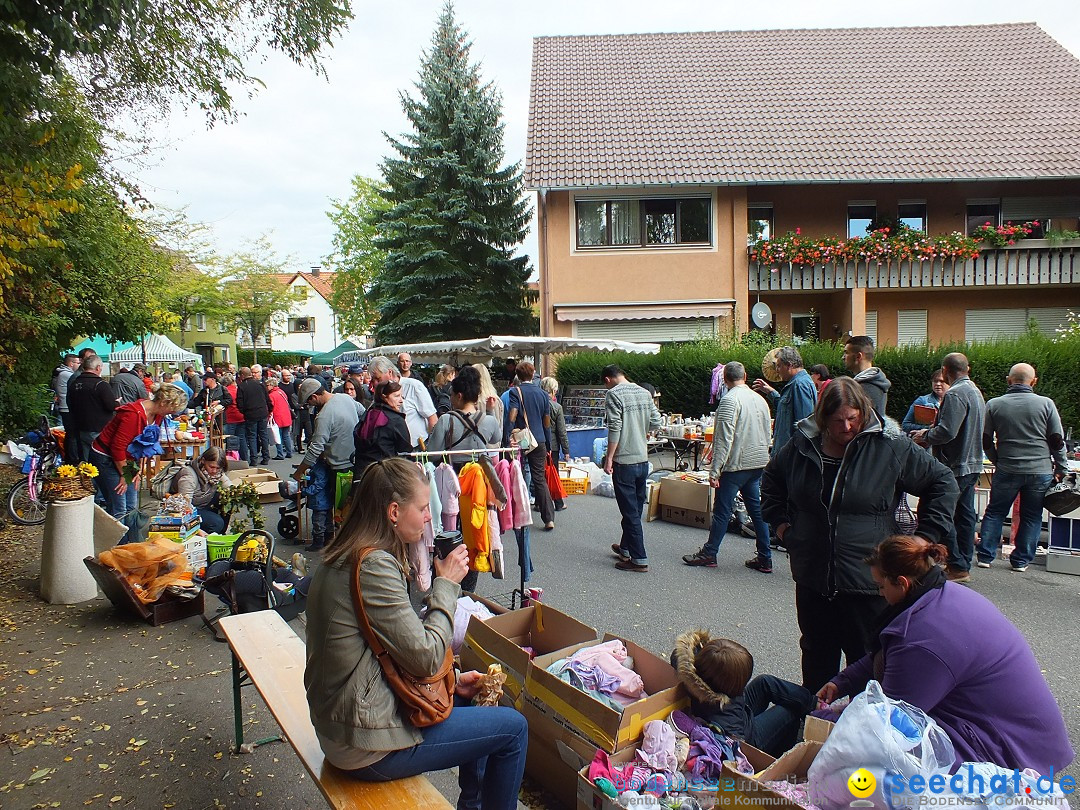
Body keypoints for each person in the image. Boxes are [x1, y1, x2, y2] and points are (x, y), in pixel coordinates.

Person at [304, 458, 528, 808]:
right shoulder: (374, 566)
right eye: (423, 508)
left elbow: (392, 645)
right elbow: (424, 657)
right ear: (394, 511)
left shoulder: (346, 553)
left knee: (472, 697)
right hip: (362, 746)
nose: (429, 517)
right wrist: (445, 584)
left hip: (340, 722)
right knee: (513, 729)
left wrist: (452, 677)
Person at [760, 377, 958, 691]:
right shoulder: (802, 444)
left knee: (866, 663)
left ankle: (859, 733)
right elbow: (771, 482)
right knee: (815, 658)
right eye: (838, 421)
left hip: (869, 584)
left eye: (853, 419)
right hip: (813, 578)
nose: (847, 427)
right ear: (823, 419)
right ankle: (816, 727)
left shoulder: (888, 446)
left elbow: (943, 482)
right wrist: (784, 528)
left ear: (864, 413)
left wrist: (925, 536)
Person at [818, 535, 1073, 773]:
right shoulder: (942, 594)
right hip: (1027, 736)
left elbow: (889, 722)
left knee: (883, 761)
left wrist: (819, 717)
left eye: (881, 586)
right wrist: (844, 681)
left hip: (1010, 752)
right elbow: (887, 652)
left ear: (903, 583)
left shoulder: (923, 638)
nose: (880, 594)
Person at [683, 361, 774, 573]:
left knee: (722, 510)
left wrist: (714, 471)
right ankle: (765, 557)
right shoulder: (760, 399)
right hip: (758, 462)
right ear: (746, 375)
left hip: (736, 465)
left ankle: (709, 553)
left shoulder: (729, 401)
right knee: (756, 511)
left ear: (724, 379)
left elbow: (723, 439)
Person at [976, 363, 1068, 572]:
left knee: (995, 512)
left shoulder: (994, 404)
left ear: (1009, 380)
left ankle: (985, 556)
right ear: (1033, 382)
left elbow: (985, 439)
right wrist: (1061, 466)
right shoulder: (1046, 404)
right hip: (1040, 470)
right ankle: (1021, 561)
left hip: (1008, 468)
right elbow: (1056, 439)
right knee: (1031, 515)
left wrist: (997, 460)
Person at [671, 631, 818, 758]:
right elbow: (738, 743)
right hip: (748, 738)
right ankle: (778, 756)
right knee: (788, 711)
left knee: (764, 682)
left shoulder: (689, 669)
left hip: (733, 711)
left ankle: (814, 703)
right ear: (732, 688)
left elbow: (676, 656)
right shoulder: (727, 716)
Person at [911, 354, 984, 581]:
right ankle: (963, 563)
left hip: (954, 465)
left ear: (945, 370)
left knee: (942, 513)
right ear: (967, 368)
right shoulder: (975, 391)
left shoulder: (955, 394)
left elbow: (947, 432)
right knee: (964, 515)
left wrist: (925, 435)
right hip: (972, 463)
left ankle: (957, 565)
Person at [90, 383, 189, 543]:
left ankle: (133, 543)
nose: (173, 414)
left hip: (127, 458)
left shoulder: (157, 415)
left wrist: (137, 471)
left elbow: (145, 444)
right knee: (119, 506)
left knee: (131, 504)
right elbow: (117, 448)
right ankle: (117, 548)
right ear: (164, 403)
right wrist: (125, 475)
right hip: (106, 457)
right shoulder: (133, 414)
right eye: (172, 409)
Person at [603, 364, 663, 572]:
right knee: (635, 509)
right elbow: (657, 421)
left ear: (608, 379)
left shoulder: (613, 395)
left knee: (630, 512)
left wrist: (609, 457)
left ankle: (639, 559)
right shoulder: (644, 392)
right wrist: (641, 430)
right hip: (642, 459)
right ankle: (626, 548)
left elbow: (615, 427)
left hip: (624, 460)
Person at [293, 377, 360, 552]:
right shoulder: (345, 398)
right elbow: (363, 412)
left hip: (338, 467)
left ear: (314, 397)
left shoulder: (323, 416)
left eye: (309, 403)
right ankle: (341, 541)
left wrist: (300, 472)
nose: (311, 406)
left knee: (339, 508)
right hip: (354, 462)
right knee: (347, 507)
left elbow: (315, 448)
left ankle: (342, 547)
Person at [507, 361, 556, 531]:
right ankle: (548, 518)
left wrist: (508, 435)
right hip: (539, 440)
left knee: (517, 476)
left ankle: (518, 517)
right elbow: (547, 422)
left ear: (518, 375)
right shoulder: (543, 394)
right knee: (539, 479)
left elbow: (512, 416)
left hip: (521, 440)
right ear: (533, 373)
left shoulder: (515, 391)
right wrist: (548, 443)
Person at [751, 346, 817, 459]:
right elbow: (786, 409)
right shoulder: (797, 383)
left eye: (779, 366)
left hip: (790, 457)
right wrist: (771, 392)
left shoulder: (799, 385)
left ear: (789, 365)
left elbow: (804, 425)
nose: (777, 370)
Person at [428, 367, 501, 461]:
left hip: (455, 473)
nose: (450, 399)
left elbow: (433, 455)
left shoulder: (446, 420)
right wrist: (490, 411)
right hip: (480, 473)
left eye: (451, 395)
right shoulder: (490, 420)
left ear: (459, 396)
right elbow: (495, 440)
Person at [368, 355, 437, 450]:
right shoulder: (379, 393)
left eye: (378, 379)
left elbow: (432, 418)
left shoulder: (414, 386)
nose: (375, 383)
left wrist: (430, 449)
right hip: (392, 451)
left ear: (390, 373)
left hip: (417, 448)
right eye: (373, 380)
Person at [353, 380, 412, 476]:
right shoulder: (396, 420)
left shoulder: (368, 413)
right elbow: (405, 452)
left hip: (362, 473)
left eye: (401, 396)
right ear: (384, 397)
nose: (401, 400)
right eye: (396, 396)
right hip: (385, 475)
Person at [66, 354, 117, 464]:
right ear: (98, 368)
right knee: (101, 460)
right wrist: (117, 402)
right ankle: (99, 480)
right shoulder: (100, 384)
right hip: (100, 428)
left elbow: (69, 403)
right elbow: (111, 406)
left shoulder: (74, 383)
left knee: (87, 461)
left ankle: (88, 480)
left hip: (81, 427)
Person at [170, 447, 232, 533]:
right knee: (217, 523)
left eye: (218, 468)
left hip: (204, 503)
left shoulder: (217, 474)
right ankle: (208, 536)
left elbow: (229, 486)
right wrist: (196, 530)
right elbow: (184, 507)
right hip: (190, 508)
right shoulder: (189, 476)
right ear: (203, 461)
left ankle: (220, 534)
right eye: (211, 467)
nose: (214, 471)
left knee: (229, 497)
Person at [842, 335, 891, 417]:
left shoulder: (867, 388)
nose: (843, 357)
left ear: (858, 356)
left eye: (846, 353)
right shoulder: (874, 382)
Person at [236, 367, 272, 465]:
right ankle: (266, 457)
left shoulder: (242, 386)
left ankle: (254, 459)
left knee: (252, 437)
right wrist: (269, 409)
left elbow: (240, 402)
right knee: (263, 435)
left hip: (250, 414)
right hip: (262, 412)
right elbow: (267, 398)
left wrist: (244, 412)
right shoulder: (260, 384)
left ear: (242, 375)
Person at [901, 369, 949, 434]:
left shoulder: (955, 402)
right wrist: (928, 427)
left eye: (942, 381)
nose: (938, 384)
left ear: (950, 383)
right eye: (935, 381)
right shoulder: (922, 401)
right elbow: (905, 425)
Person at [52, 354, 80, 461]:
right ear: (71, 364)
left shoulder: (62, 373)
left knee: (70, 435)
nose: (79, 365)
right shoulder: (67, 375)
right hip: (67, 408)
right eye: (78, 363)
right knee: (72, 435)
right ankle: (72, 459)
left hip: (64, 406)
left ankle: (69, 457)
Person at [266, 376, 295, 459]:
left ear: (271, 385)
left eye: (267, 385)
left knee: (277, 436)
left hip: (277, 417)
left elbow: (270, 407)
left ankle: (280, 454)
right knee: (286, 435)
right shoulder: (281, 392)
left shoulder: (271, 395)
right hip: (286, 416)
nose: (266, 387)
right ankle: (289, 452)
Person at [221, 373, 247, 461]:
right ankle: (244, 458)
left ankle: (232, 459)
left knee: (230, 439)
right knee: (241, 438)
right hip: (241, 416)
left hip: (230, 417)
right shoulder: (238, 390)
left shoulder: (226, 391)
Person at [473, 363, 504, 434]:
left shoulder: (473, 401)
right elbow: (501, 427)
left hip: (479, 443)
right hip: (495, 443)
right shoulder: (497, 400)